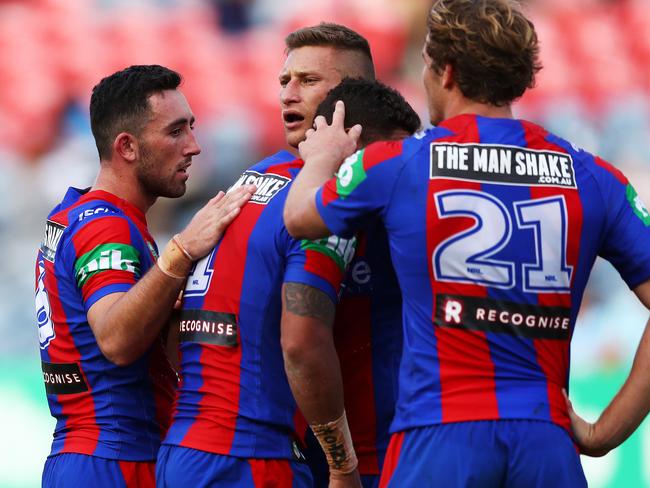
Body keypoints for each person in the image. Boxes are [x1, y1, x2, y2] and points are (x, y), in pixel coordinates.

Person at [283, 0, 650, 486]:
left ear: (448, 72)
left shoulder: (397, 163)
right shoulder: (592, 175)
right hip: (546, 441)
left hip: (437, 438)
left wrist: (321, 156)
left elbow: (299, 218)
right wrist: (605, 431)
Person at [156, 75, 419, 487]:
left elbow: (179, 328)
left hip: (185, 449)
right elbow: (301, 342)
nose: (401, 175)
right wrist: (342, 466)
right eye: (393, 157)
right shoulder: (324, 203)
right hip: (254, 461)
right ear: (352, 139)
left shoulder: (251, 179)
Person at [35, 64, 254, 488]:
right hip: (115, 460)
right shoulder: (106, 225)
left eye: (191, 127)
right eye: (175, 132)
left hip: (84, 456)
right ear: (127, 147)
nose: (194, 147)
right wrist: (183, 250)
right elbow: (116, 338)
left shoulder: (75, 215)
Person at [276, 23, 407, 488]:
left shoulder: (389, 175)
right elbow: (299, 339)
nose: (289, 94)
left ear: (354, 94)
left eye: (308, 81)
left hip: (386, 456)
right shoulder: (263, 186)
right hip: (333, 463)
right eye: (284, 81)